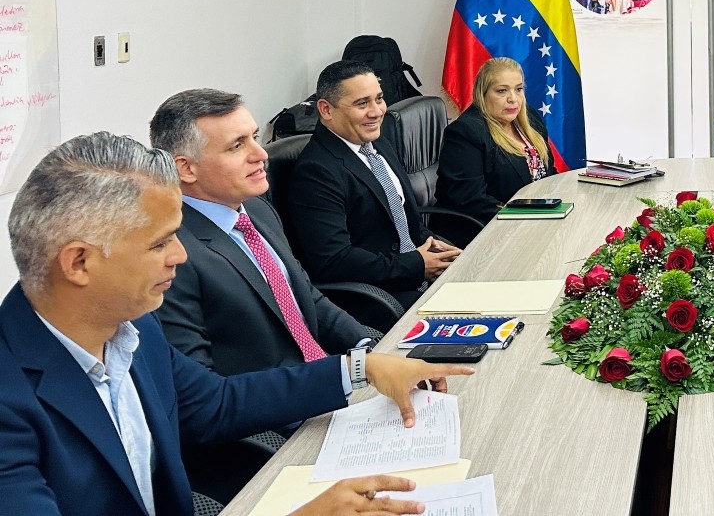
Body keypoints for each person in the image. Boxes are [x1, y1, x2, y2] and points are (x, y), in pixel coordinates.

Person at [0, 131, 472, 515]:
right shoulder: (9, 403)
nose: (181, 255)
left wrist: (360, 367)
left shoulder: (131, 330)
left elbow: (216, 403)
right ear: (79, 263)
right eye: (160, 243)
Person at [149, 89, 373, 376]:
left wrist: (367, 347)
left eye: (254, 137)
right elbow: (202, 384)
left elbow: (304, 296)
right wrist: (343, 375)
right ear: (186, 168)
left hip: (326, 373)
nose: (261, 154)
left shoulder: (257, 209)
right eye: (236, 146)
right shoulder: (172, 254)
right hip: (283, 400)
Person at [289, 61, 460, 319]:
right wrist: (416, 265)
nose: (377, 111)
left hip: (414, 275)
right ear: (326, 109)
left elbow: (405, 220)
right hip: (378, 296)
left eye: (379, 99)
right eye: (362, 103)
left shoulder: (377, 143)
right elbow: (334, 260)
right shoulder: (316, 171)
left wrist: (437, 248)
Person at [435, 57, 558, 244]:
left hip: (532, 219)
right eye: (502, 91)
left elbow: (549, 173)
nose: (513, 99)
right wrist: (529, 215)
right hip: (485, 230)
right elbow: (469, 200)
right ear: (482, 94)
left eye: (518, 89)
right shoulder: (466, 132)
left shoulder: (529, 119)